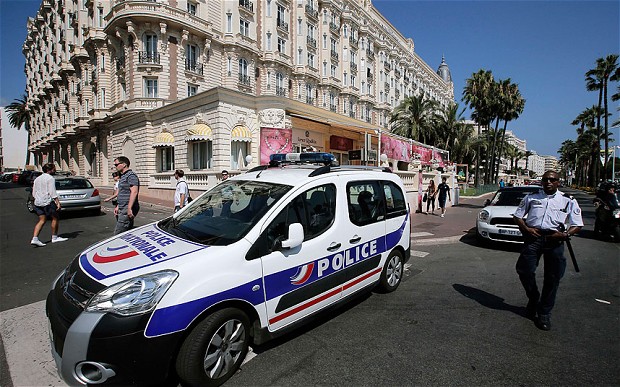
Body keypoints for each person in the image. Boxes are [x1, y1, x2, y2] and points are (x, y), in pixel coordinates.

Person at [512, 170, 583, 331]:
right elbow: (518, 216)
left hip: (555, 239)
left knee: (553, 277)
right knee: (524, 270)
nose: (548, 182)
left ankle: (544, 313)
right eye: (545, 180)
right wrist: (526, 228)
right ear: (542, 182)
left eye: (552, 180)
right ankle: (534, 297)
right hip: (534, 237)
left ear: (558, 182)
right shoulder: (531, 197)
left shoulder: (567, 201)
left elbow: (577, 224)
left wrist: (565, 234)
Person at [31, 163, 68, 246]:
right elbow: (52, 192)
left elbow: (34, 192)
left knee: (42, 220)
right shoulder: (50, 178)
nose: (55, 170)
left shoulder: (37, 179)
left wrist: (37, 199)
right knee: (55, 218)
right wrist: (57, 202)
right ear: (49, 170)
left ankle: (35, 238)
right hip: (47, 202)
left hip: (38, 202)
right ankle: (54, 237)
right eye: (54, 168)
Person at [113, 156, 140, 235]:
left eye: (116, 165)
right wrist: (118, 206)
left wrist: (129, 208)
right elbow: (122, 192)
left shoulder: (131, 176)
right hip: (123, 207)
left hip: (127, 207)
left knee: (118, 234)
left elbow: (134, 192)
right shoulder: (123, 176)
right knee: (127, 233)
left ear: (124, 164)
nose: (115, 167)